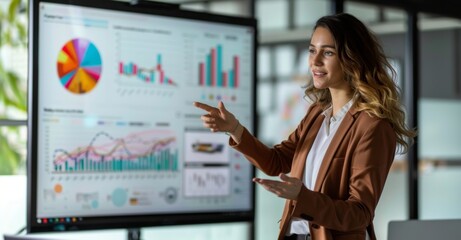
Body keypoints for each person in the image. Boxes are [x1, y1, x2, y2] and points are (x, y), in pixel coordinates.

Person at [194, 13, 416, 240]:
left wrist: (303, 197)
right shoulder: (316, 113)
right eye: (312, 50)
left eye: (327, 52)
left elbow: (360, 213)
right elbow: (276, 162)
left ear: (352, 59)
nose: (315, 61)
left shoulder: (373, 126)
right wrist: (235, 130)